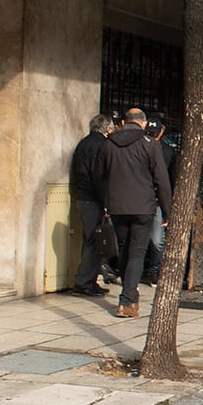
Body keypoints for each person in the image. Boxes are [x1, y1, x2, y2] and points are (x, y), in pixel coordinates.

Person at [98, 105, 171, 318]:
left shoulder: (108, 144)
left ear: (123, 122)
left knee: (124, 249)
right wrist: (167, 211)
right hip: (143, 206)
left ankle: (127, 293)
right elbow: (162, 181)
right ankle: (128, 300)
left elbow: (98, 174)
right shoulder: (149, 144)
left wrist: (107, 200)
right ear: (143, 122)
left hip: (117, 207)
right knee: (137, 253)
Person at [68, 113, 114, 296]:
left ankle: (89, 280)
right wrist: (105, 202)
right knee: (93, 241)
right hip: (92, 199)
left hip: (83, 196)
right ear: (108, 129)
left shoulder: (84, 143)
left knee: (91, 240)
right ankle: (84, 282)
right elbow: (98, 177)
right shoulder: (100, 145)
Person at [143, 118, 176, 286]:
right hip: (143, 199)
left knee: (156, 240)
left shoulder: (167, 152)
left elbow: (167, 180)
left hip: (155, 200)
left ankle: (153, 271)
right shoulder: (140, 147)